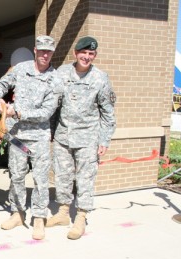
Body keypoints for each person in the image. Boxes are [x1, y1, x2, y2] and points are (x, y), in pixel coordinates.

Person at [0, 35, 61, 240]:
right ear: (35, 50)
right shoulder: (21, 69)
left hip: (39, 137)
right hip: (17, 137)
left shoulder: (55, 79)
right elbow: (2, 83)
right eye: (41, 51)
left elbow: (47, 112)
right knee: (16, 175)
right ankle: (17, 213)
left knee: (40, 179)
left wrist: (18, 112)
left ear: (52, 53)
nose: (45, 55)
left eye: (48, 51)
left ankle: (39, 218)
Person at [48, 36, 116, 240]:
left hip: (88, 138)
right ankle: (62, 212)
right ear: (75, 53)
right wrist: (51, 133)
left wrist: (104, 140)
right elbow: (54, 106)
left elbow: (108, 113)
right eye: (83, 53)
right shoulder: (61, 73)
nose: (86, 57)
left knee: (85, 179)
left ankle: (81, 216)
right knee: (62, 176)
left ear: (94, 55)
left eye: (91, 54)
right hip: (63, 136)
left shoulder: (100, 78)